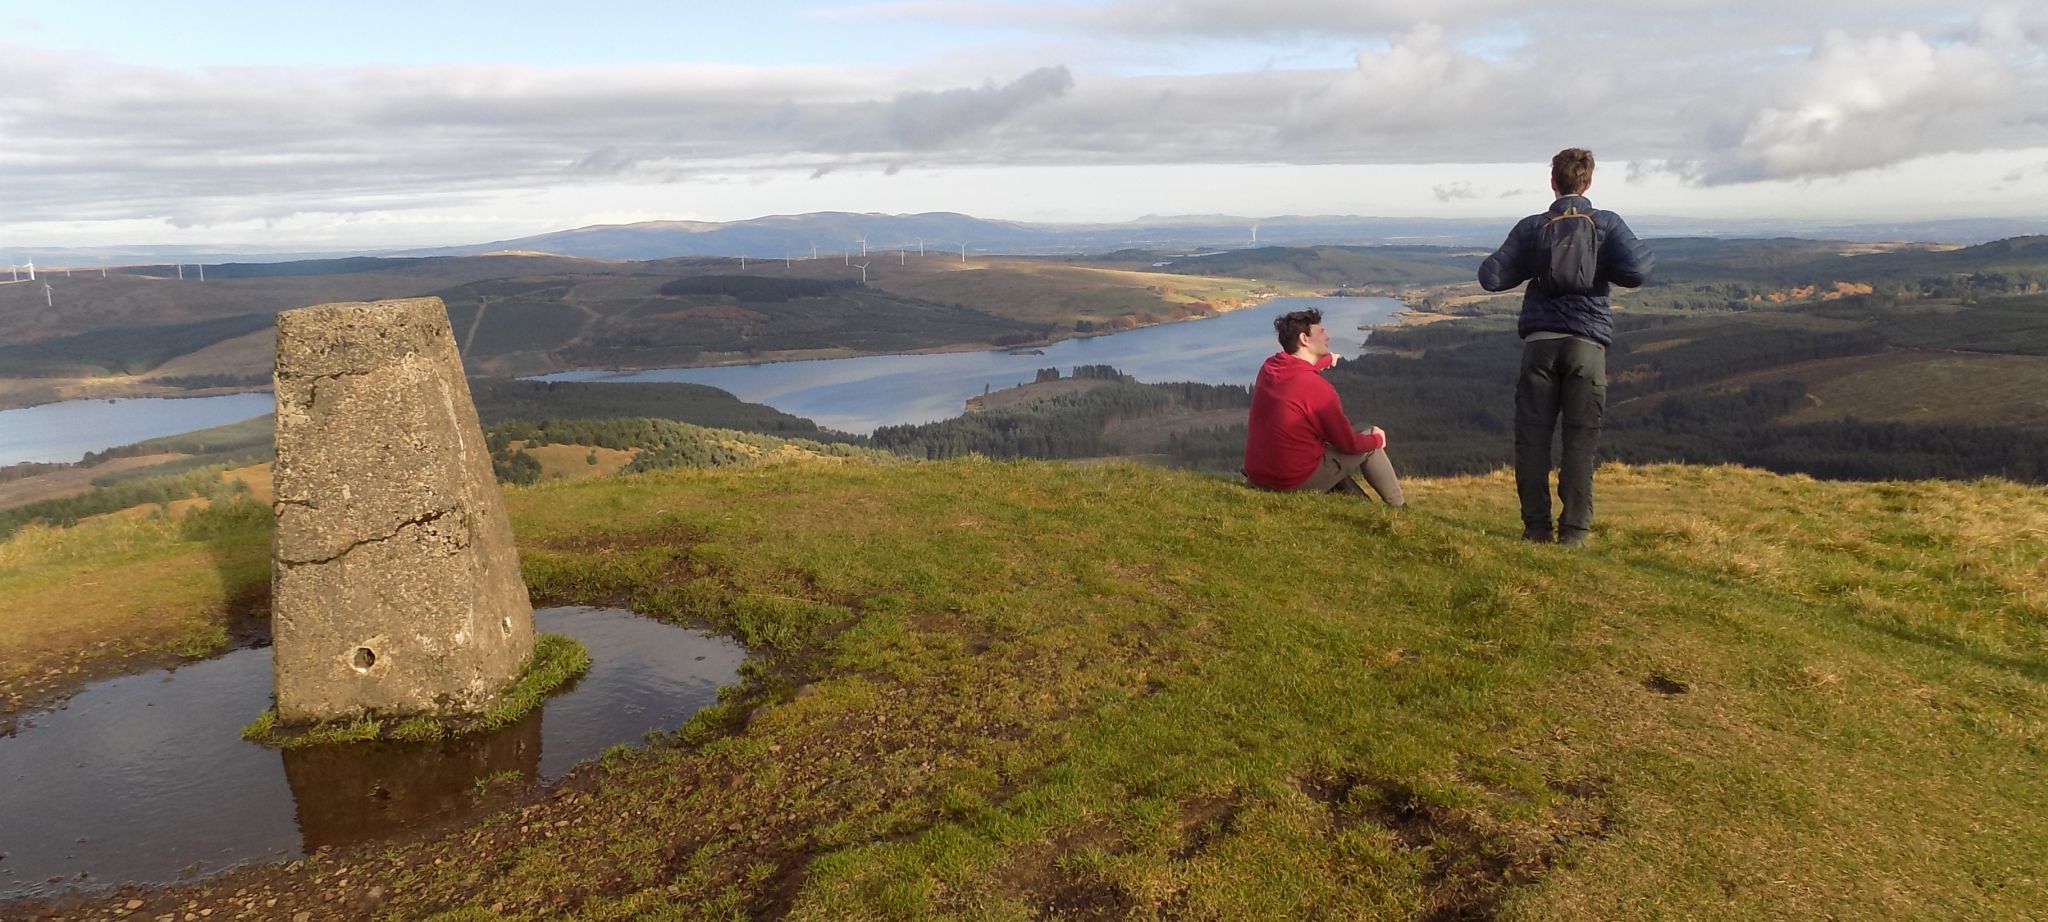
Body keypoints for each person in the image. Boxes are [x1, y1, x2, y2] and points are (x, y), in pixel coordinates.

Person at [1479, 147, 1655, 546]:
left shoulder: (1533, 227)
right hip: (1587, 345)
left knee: (1533, 440)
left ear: (1553, 182)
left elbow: (1490, 276)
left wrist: (1533, 263)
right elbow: (1640, 269)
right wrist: (1599, 263)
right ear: (1588, 182)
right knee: (1579, 441)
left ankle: (1536, 529)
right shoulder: (1606, 223)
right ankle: (1574, 533)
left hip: (1540, 345)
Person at [1242, 307, 1404, 505]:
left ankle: (1361, 504)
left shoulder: (1270, 367)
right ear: (1304, 339)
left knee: (1327, 448)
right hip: (1290, 483)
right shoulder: (1318, 389)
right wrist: (1376, 440)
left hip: (1259, 478)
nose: (1328, 336)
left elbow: (1298, 369)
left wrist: (1326, 359)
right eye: (1321, 332)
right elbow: (1348, 444)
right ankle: (1399, 508)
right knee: (1367, 433)